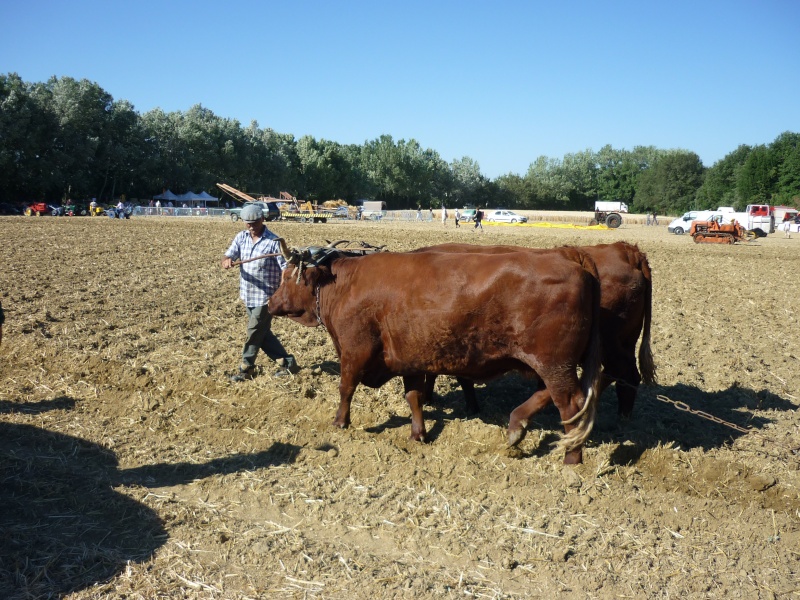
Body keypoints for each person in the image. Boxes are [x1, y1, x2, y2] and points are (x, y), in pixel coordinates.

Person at [221, 204, 299, 381]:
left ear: (262, 219)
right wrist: (226, 261)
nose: (251, 226)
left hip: (266, 297)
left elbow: (285, 270)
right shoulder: (241, 237)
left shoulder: (273, 242)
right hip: (248, 294)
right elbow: (228, 255)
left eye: (254, 223)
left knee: (254, 330)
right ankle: (288, 363)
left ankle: (246, 367)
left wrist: (280, 294)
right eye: (247, 223)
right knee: (261, 333)